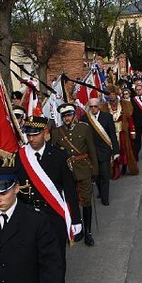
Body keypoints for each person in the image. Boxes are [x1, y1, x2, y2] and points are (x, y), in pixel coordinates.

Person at [15, 117, 82, 283]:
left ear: (45, 133)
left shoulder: (59, 156)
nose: (31, 138)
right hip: (29, 219)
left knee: (55, 262)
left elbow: (69, 189)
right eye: (28, 135)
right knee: (32, 261)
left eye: (35, 134)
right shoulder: (20, 157)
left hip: (53, 219)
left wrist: (76, 220)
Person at [50, 103, 98, 246]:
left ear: (74, 115)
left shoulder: (84, 128)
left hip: (83, 169)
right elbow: (54, 155)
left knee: (86, 200)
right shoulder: (57, 132)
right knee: (72, 201)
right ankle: (78, 228)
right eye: (64, 116)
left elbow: (91, 150)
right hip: (66, 171)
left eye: (69, 115)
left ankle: (88, 232)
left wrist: (95, 170)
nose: (66, 118)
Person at [106, 86, 139, 177]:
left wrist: (132, 131)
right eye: (110, 94)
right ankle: (115, 169)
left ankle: (124, 165)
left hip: (122, 131)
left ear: (116, 95)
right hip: (111, 132)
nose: (111, 96)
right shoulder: (105, 106)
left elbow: (130, 119)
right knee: (113, 151)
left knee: (124, 149)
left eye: (113, 94)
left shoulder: (124, 104)